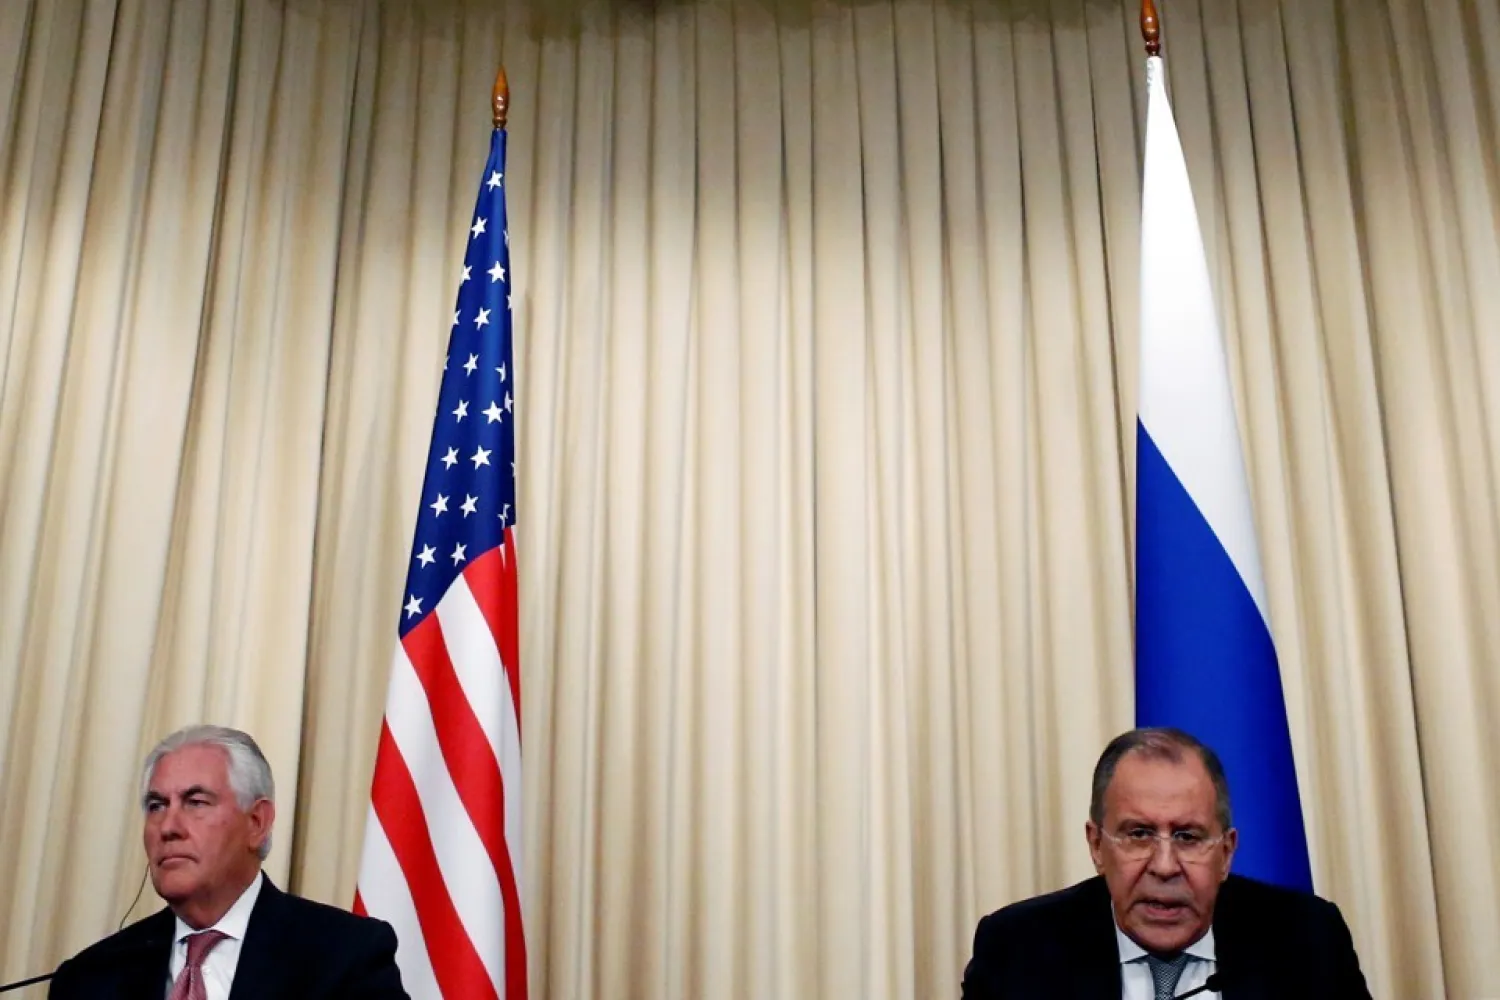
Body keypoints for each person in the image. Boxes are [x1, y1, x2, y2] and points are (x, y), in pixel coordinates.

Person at [961, 727, 1370, 999]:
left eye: (1188, 837)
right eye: (1139, 834)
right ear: (1097, 846)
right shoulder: (1017, 949)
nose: (1164, 866)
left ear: (1226, 853)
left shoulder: (1307, 942)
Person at [50, 724, 408, 999]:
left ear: (256, 823)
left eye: (196, 802)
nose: (168, 827)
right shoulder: (88, 978)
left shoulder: (346, 957)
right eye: (156, 806)